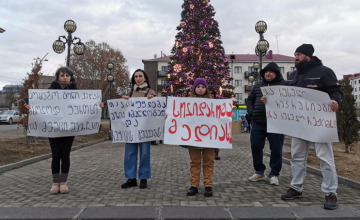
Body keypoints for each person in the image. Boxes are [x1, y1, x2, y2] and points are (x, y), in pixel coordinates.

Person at [262, 44, 342, 210]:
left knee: (325, 158)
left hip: (319, 125)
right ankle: (296, 188)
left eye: (298, 54)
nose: (295, 57)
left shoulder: (325, 72)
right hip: (298, 125)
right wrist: (270, 101)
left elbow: (336, 91)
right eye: (295, 54)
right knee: (297, 156)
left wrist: (335, 102)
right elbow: (285, 97)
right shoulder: (293, 75)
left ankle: (330, 193)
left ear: (308, 56)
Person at [24, 67, 104, 195]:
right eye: (62, 75)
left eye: (68, 75)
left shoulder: (76, 92)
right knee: (56, 155)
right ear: (58, 77)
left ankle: (64, 182)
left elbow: (85, 106)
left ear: (71, 77)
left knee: (65, 155)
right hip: (53, 128)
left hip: (69, 129)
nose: (65, 77)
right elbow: (41, 105)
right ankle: (55, 183)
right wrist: (32, 108)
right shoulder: (50, 92)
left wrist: (97, 106)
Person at [246, 62, 286, 186]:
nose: (268, 74)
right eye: (266, 72)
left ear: (277, 73)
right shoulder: (258, 85)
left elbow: (289, 102)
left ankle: (274, 174)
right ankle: (259, 171)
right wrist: (252, 113)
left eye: (271, 71)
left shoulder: (284, 86)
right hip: (258, 122)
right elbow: (250, 100)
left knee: (276, 149)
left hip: (276, 123)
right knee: (256, 147)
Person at [121, 69, 156, 189]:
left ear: (145, 78)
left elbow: (155, 111)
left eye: (140, 76)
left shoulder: (151, 92)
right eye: (136, 76)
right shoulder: (130, 92)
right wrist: (123, 102)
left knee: (145, 154)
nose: (138, 78)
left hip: (145, 129)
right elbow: (123, 111)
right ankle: (131, 178)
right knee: (130, 153)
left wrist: (153, 101)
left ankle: (143, 178)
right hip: (131, 129)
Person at [208, 85, 220, 160]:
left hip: (214, 123)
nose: (211, 95)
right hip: (206, 123)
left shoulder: (216, 101)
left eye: (212, 93)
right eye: (209, 93)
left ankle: (216, 152)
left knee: (215, 138)